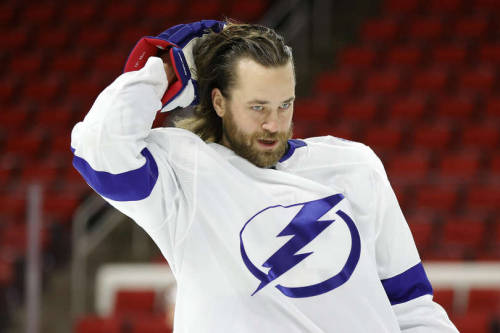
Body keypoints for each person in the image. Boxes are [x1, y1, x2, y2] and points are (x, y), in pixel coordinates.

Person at [71, 20, 458, 332]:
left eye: (284, 104)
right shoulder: (185, 172)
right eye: (257, 107)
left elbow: (411, 306)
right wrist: (165, 67)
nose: (274, 123)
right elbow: (100, 149)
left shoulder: (354, 165)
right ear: (219, 101)